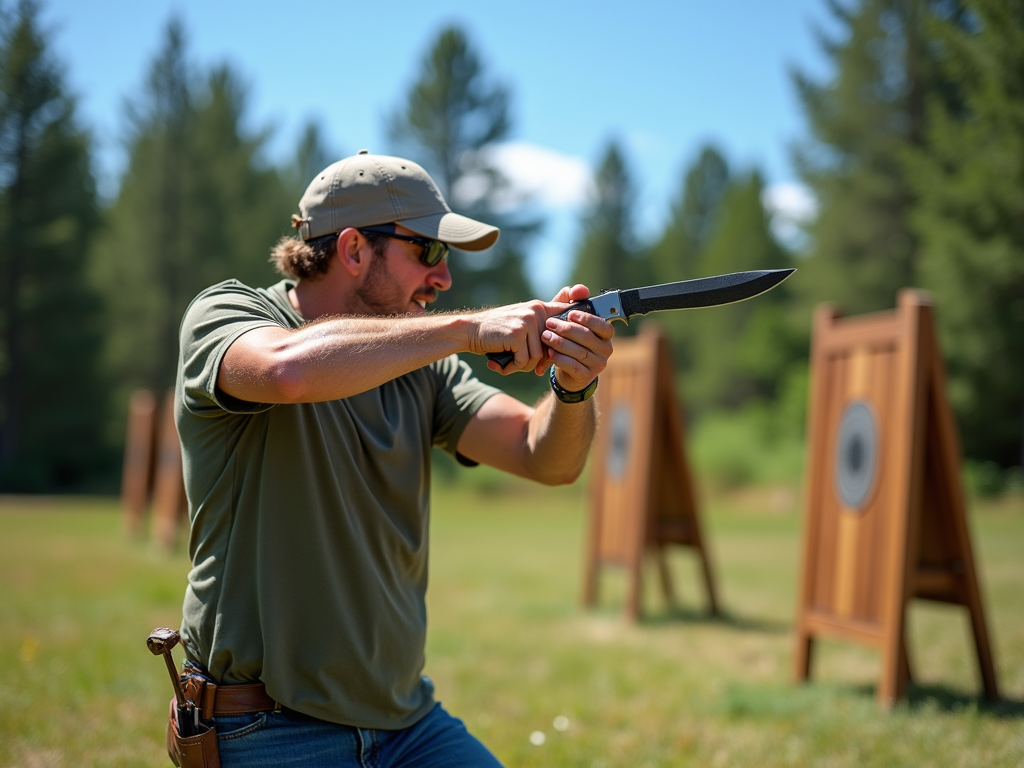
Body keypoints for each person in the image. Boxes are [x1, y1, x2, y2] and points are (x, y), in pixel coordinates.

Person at [172, 150, 614, 767]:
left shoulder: (422, 366)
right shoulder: (227, 315)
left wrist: (574, 386)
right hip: (268, 726)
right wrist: (469, 328)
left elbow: (543, 458)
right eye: (428, 252)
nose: (445, 280)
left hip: (408, 724)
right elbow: (286, 370)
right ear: (354, 249)